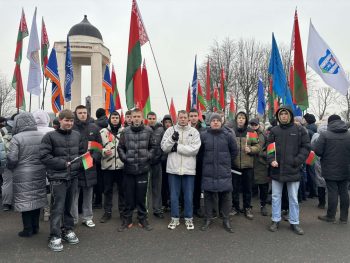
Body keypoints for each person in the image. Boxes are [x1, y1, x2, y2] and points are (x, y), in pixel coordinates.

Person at [40, 109, 83, 252]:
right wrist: (62, 164)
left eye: (71, 120)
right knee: (57, 208)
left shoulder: (77, 135)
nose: (69, 123)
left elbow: (81, 154)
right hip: (58, 178)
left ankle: (68, 230)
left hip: (73, 177)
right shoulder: (49, 136)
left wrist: (78, 165)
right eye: (66, 120)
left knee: (69, 206)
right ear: (60, 120)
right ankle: (54, 235)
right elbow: (44, 157)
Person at [267, 106, 310, 235]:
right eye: (281, 114)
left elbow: (306, 147)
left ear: (290, 115)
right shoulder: (274, 130)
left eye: (286, 114)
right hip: (277, 170)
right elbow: (269, 148)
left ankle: (294, 222)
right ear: (278, 117)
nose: (284, 116)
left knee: (293, 198)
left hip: (293, 169)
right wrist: (271, 160)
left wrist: (297, 161)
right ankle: (275, 220)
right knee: (275, 197)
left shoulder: (299, 129)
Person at [6, 112, 47, 237]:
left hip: (22, 173)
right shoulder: (41, 136)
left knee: (25, 200)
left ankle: (27, 229)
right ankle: (36, 227)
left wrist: (10, 167)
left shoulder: (17, 138)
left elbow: (12, 159)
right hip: (40, 171)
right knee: (36, 198)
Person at [161, 110, 201, 230]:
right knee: (174, 195)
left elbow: (194, 149)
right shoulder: (170, 131)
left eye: (185, 117)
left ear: (188, 118)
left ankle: (189, 218)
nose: (183, 119)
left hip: (189, 169)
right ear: (177, 118)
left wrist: (177, 147)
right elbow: (164, 148)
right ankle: (175, 218)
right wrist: (171, 140)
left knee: (189, 195)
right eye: (181, 117)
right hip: (173, 168)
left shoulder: (194, 132)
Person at [117, 108, 156, 231]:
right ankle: (127, 219)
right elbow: (120, 147)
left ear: (142, 117)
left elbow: (154, 147)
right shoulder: (125, 132)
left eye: (139, 116)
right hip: (128, 169)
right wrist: (124, 158)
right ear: (131, 118)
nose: (136, 119)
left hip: (143, 169)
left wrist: (148, 156)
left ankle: (142, 219)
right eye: (134, 117)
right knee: (128, 196)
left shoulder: (149, 130)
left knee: (141, 196)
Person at [199, 113, 237, 233]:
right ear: (209, 122)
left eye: (218, 120)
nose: (215, 122)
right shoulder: (203, 136)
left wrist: (225, 162)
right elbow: (200, 154)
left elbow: (234, 151)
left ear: (221, 122)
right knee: (208, 195)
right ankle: (208, 218)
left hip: (223, 170)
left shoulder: (228, 135)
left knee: (225, 195)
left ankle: (226, 219)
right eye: (213, 120)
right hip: (208, 171)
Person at [313, 115, 350, 224]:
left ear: (329, 123)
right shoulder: (349, 134)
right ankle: (344, 218)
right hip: (346, 168)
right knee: (344, 192)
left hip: (330, 168)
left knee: (332, 192)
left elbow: (317, 151)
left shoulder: (325, 134)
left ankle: (331, 216)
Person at [71, 105, 102, 228]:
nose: (83, 115)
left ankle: (88, 217)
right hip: (75, 165)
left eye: (84, 112)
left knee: (88, 193)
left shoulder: (93, 127)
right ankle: (73, 218)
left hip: (89, 165)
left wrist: (93, 158)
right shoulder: (71, 127)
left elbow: (98, 147)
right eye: (80, 113)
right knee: (74, 195)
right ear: (76, 114)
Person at [232, 111, 261, 219]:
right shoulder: (232, 131)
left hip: (247, 165)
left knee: (247, 188)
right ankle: (235, 207)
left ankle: (247, 207)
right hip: (234, 165)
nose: (241, 120)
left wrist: (251, 149)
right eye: (239, 117)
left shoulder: (251, 132)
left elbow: (258, 146)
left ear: (246, 120)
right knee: (234, 188)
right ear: (236, 119)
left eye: (243, 118)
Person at [99, 111, 125, 223]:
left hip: (121, 166)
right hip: (107, 167)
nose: (115, 119)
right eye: (113, 117)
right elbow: (96, 147)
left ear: (120, 119)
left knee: (122, 191)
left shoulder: (124, 132)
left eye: (117, 117)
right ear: (109, 119)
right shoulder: (103, 131)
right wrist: (104, 151)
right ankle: (107, 212)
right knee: (107, 190)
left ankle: (123, 212)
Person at [33, 110, 55, 222]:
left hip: (34, 165)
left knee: (36, 189)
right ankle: (47, 211)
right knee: (48, 189)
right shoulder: (52, 131)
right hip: (49, 163)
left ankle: (37, 211)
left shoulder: (30, 131)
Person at [146, 111, 165, 218]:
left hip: (157, 163)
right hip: (147, 163)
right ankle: (145, 210)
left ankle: (157, 209)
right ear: (147, 119)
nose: (152, 120)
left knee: (157, 188)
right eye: (150, 118)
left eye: (153, 118)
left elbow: (164, 145)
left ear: (156, 118)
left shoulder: (161, 130)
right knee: (146, 188)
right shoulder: (144, 129)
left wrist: (161, 158)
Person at [249, 118, 269, 216]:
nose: (253, 126)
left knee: (263, 186)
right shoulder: (247, 133)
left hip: (261, 164)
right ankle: (248, 206)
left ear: (258, 125)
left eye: (255, 124)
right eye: (252, 124)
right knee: (249, 186)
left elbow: (270, 149)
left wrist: (261, 153)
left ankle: (263, 205)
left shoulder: (264, 135)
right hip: (251, 162)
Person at [189, 109, 206, 217]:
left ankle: (197, 207)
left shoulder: (204, 130)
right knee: (187, 186)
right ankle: (187, 207)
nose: (193, 117)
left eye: (195, 115)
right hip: (187, 160)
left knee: (197, 185)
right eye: (191, 116)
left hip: (199, 161)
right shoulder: (185, 129)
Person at [93, 108, 109, 209]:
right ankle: (108, 202)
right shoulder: (109, 124)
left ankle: (98, 201)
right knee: (107, 180)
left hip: (98, 155)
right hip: (109, 156)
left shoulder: (94, 125)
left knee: (97, 179)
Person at [1, 114, 16, 211]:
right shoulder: (22, 130)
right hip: (21, 159)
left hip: (6, 160)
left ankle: (6, 203)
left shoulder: (2, 130)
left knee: (7, 182)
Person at [161, 114, 173, 211]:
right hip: (162, 162)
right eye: (166, 122)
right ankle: (164, 203)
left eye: (169, 122)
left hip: (172, 162)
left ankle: (170, 202)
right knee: (163, 184)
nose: (168, 124)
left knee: (171, 184)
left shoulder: (174, 132)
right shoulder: (161, 132)